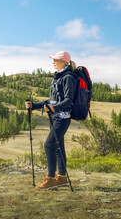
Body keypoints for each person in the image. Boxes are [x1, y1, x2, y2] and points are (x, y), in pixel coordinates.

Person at [25, 51, 76, 190]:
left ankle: (51, 179)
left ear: (64, 62)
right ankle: (62, 177)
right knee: (58, 146)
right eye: (53, 59)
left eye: (56, 59)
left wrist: (55, 108)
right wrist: (34, 106)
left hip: (62, 118)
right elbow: (51, 100)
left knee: (49, 145)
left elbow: (68, 99)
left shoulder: (68, 77)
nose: (53, 61)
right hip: (54, 117)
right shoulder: (57, 77)